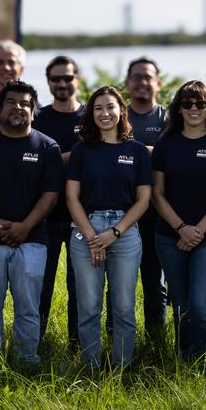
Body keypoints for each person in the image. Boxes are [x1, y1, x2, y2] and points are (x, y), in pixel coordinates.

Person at [0, 81, 61, 366]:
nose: (17, 107)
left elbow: (51, 194)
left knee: (29, 308)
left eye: (24, 103)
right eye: (11, 102)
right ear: (0, 107)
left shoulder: (47, 147)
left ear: (33, 110)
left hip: (33, 241)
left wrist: (25, 226)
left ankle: (26, 360)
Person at [150, 81, 206, 363]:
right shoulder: (166, 143)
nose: (194, 109)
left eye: (201, 104)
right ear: (178, 108)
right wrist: (180, 228)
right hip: (169, 235)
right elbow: (157, 194)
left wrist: (197, 231)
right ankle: (183, 362)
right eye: (187, 104)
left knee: (200, 306)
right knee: (181, 305)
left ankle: (203, 365)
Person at [66, 86, 152, 369]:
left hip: (125, 232)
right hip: (85, 231)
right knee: (88, 307)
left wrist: (114, 233)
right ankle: (90, 366)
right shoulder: (81, 150)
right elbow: (71, 198)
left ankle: (122, 367)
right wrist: (93, 237)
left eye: (110, 107)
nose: (105, 113)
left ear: (121, 111)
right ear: (91, 114)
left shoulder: (137, 151)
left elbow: (144, 200)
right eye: (98, 108)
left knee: (124, 307)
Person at [31, 55, 86, 349]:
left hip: (84, 216)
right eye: (56, 79)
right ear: (48, 82)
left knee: (80, 286)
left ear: (77, 79)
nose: (62, 84)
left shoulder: (91, 116)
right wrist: (70, 155)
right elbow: (37, 163)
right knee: (42, 283)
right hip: (46, 215)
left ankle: (78, 344)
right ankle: (35, 342)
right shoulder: (39, 118)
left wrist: (56, 159)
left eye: (68, 78)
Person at [123, 57, 169, 341]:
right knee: (118, 286)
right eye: (136, 77)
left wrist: (132, 149)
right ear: (127, 83)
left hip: (157, 215)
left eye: (148, 77)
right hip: (119, 215)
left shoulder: (168, 118)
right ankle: (118, 339)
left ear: (158, 83)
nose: (142, 82)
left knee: (156, 284)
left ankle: (156, 342)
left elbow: (173, 156)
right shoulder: (117, 115)